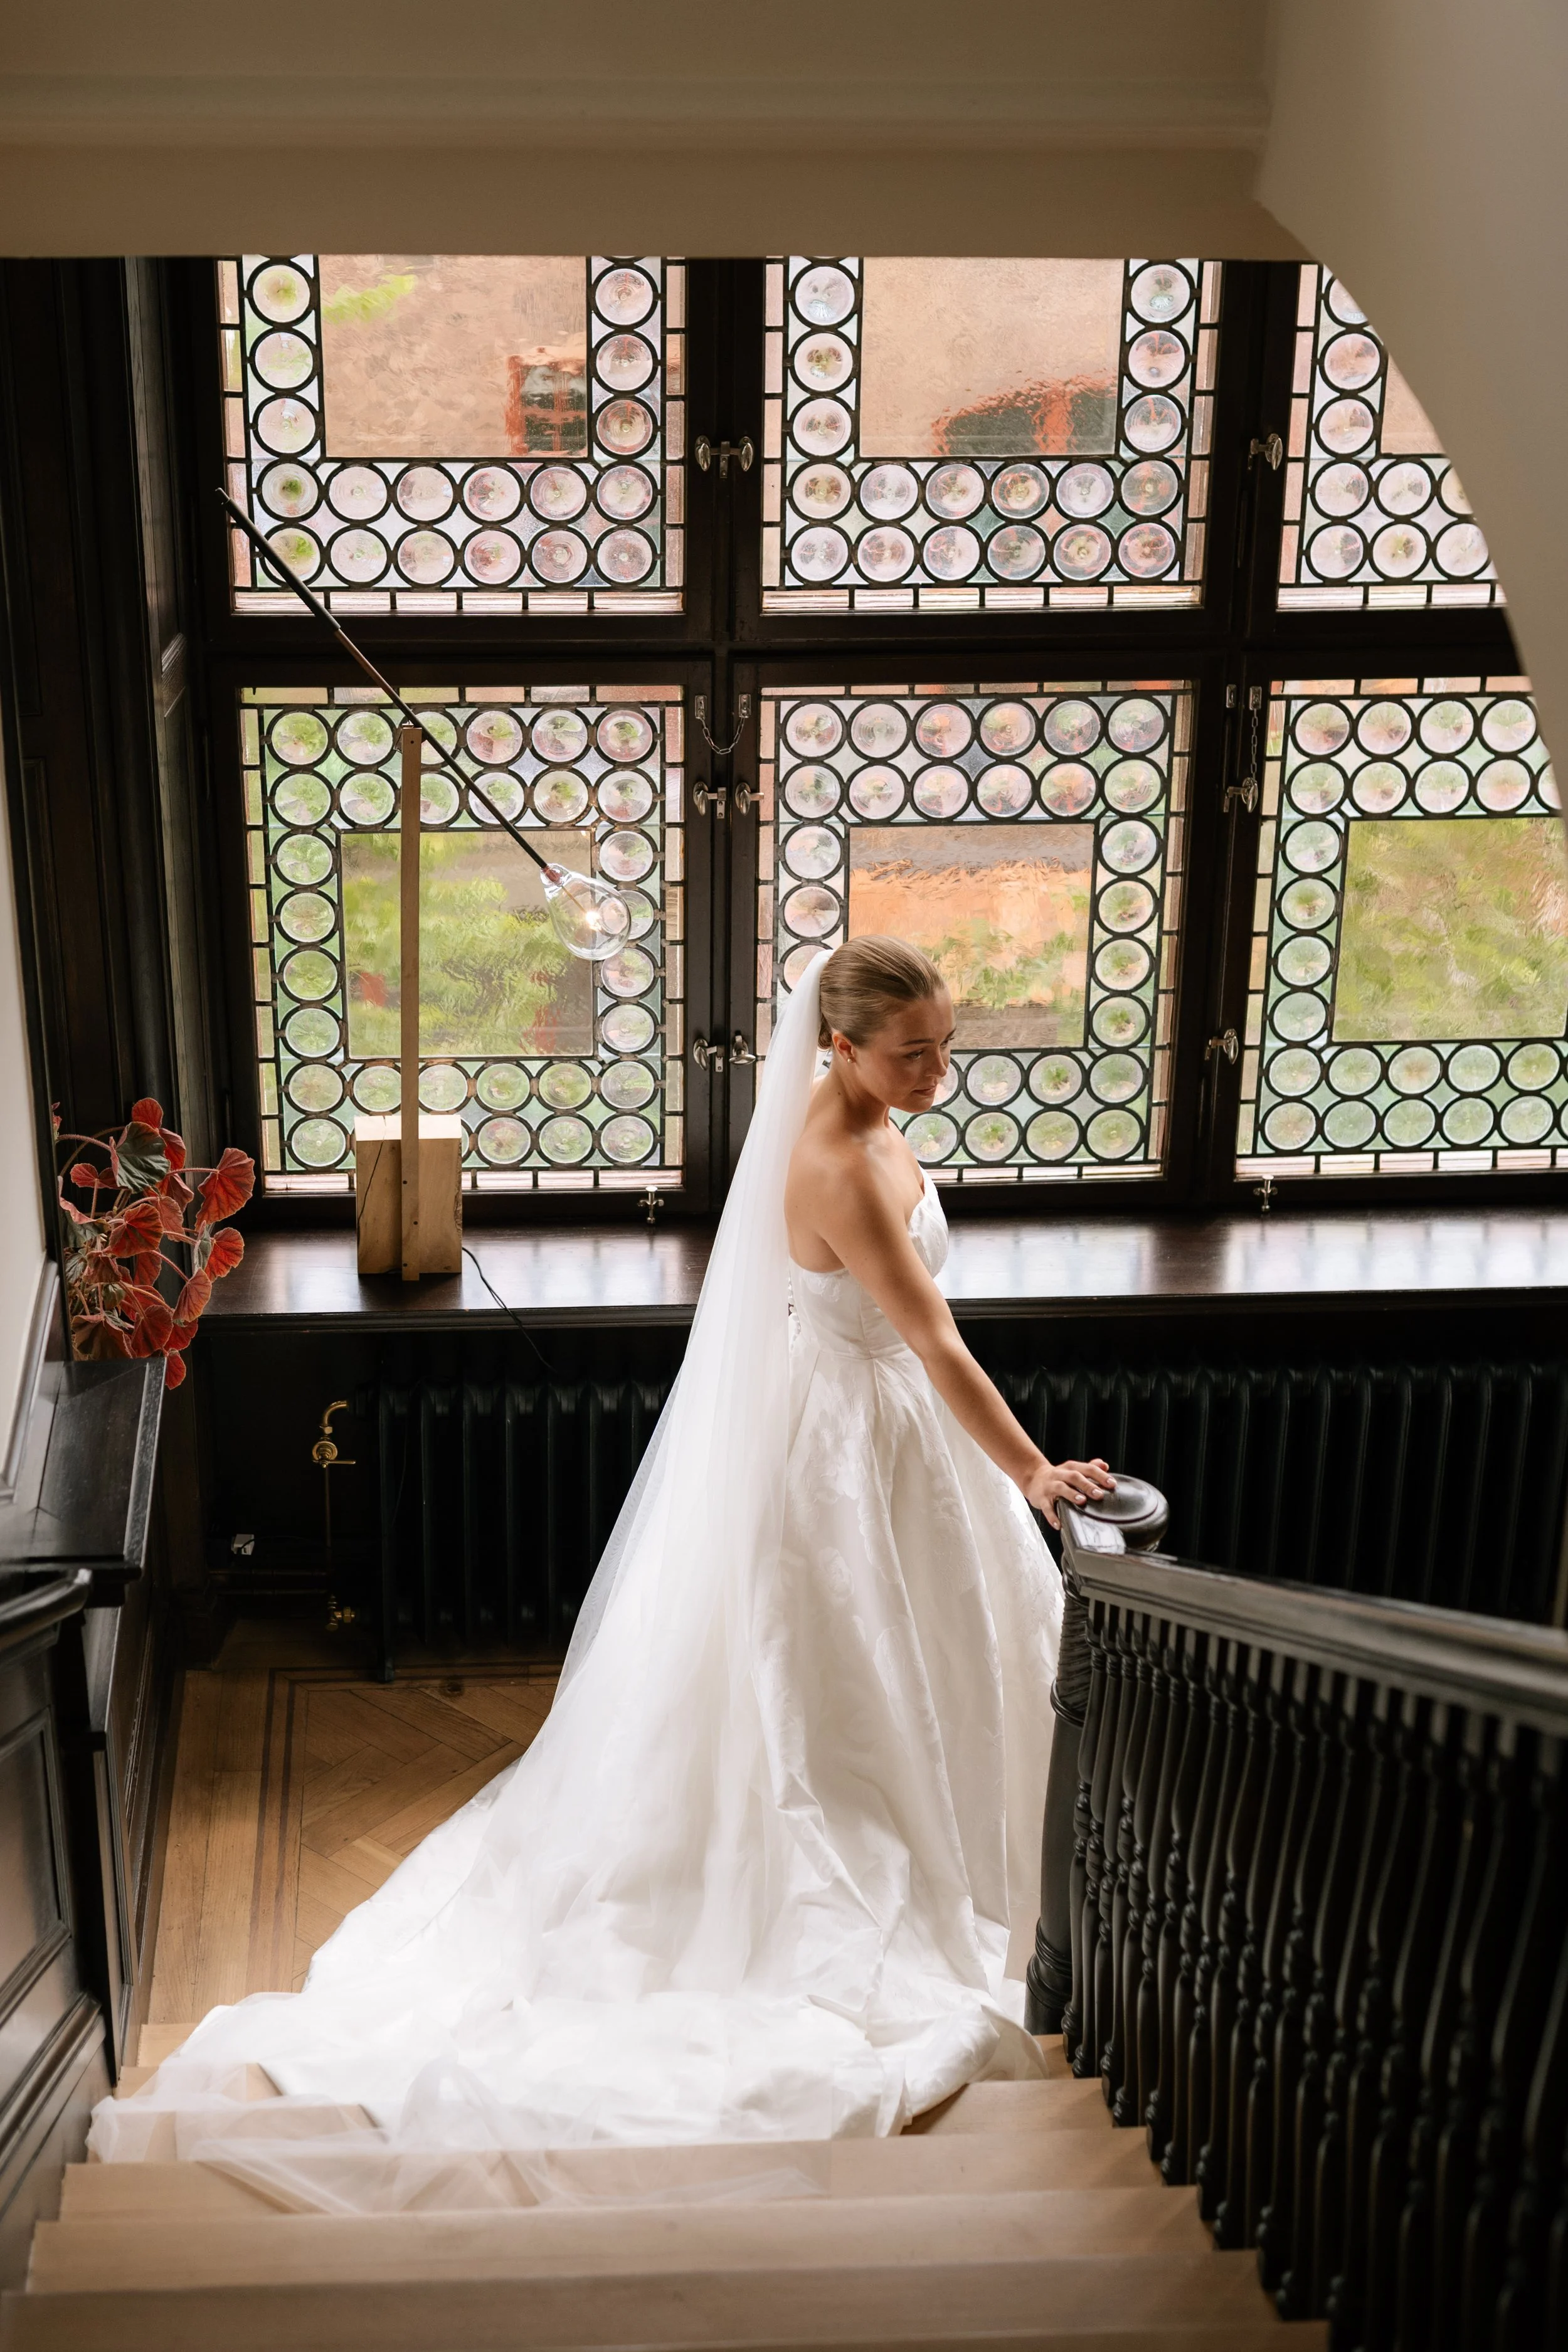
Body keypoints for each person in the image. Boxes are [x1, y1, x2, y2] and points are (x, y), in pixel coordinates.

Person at [90, 938, 1113, 2193]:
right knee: (831, 1682)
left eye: (946, 1045)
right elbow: (935, 1339)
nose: (939, 1071)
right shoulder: (834, 1160)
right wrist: (1026, 1470)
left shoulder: (858, 1106)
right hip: (859, 1429)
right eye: (914, 1054)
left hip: (882, 1431)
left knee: (930, 1653)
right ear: (838, 1047)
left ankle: (982, 1841)